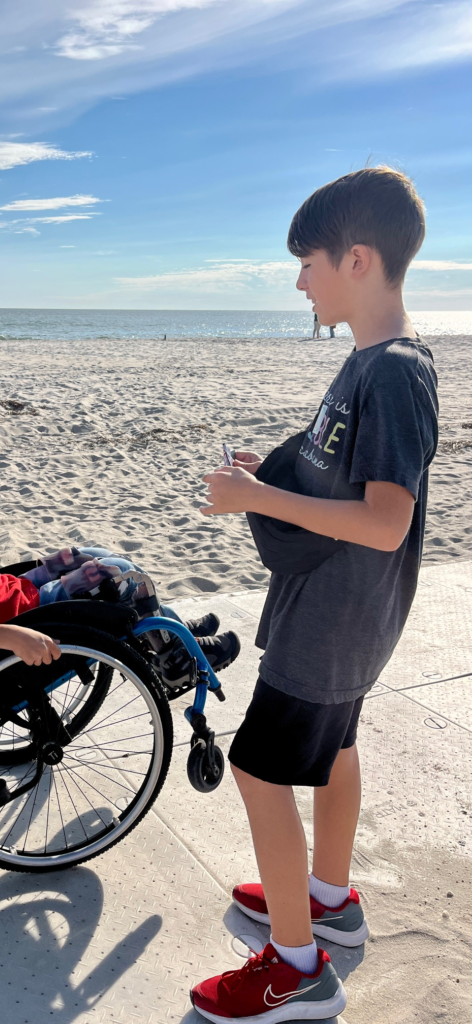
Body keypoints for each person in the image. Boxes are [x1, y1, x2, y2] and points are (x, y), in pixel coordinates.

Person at [191, 166, 438, 1023]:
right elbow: (347, 485)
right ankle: (327, 899)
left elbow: (385, 522)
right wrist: (275, 476)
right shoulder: (367, 362)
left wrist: (255, 500)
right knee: (333, 754)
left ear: (358, 259)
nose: (300, 280)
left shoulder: (395, 373)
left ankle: (295, 970)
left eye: (309, 263)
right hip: (342, 615)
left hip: (337, 622)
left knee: (259, 769)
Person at [0, 407, 240, 684]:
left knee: (91, 555)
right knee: (123, 577)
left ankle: (171, 630)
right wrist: (11, 635)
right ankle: (176, 662)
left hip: (13, 594)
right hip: (19, 614)